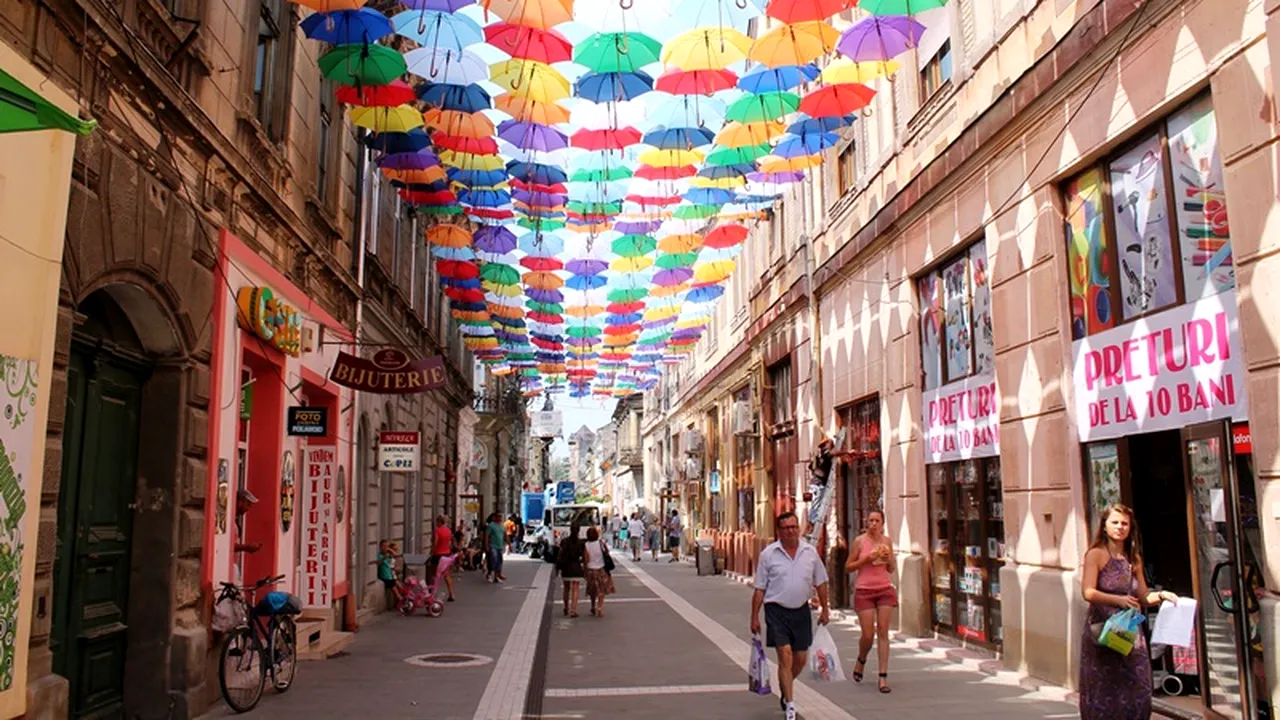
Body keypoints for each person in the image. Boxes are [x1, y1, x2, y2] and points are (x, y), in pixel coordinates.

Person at [1079, 504, 1177, 720]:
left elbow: (1142, 596)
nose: (1120, 527)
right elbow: (1087, 592)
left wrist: (1161, 596)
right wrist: (1118, 600)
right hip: (1103, 630)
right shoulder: (1095, 555)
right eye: (1115, 522)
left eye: (1124, 523)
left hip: (1130, 632)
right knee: (1104, 687)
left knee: (1138, 685)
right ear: (1104, 526)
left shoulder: (1134, 559)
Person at [749, 512, 830, 720]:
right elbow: (759, 588)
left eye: (794, 527)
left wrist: (825, 609)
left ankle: (786, 686)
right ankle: (791, 705)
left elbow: (820, 581)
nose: (791, 531)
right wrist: (754, 617)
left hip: (801, 611)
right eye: (786, 528)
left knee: (800, 658)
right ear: (779, 532)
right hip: (776, 611)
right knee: (784, 654)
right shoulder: (769, 555)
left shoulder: (810, 553)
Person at [844, 509, 896, 693]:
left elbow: (891, 569)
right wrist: (866, 559)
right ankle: (861, 660)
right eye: (870, 520)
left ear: (882, 523)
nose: (873, 524)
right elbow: (848, 567)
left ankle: (883, 677)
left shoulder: (887, 541)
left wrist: (888, 558)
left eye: (877, 521)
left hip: (884, 589)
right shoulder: (860, 541)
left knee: (883, 631)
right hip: (864, 590)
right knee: (868, 634)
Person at [556, 522, 586, 617]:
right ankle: (573, 610)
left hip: (566, 567)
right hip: (576, 567)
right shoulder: (581, 543)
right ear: (578, 531)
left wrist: (558, 567)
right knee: (575, 589)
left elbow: (560, 555)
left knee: (566, 588)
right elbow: (583, 556)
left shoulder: (564, 541)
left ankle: (566, 608)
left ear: (570, 529)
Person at [584, 526, 615, 617]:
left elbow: (586, 559)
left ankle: (593, 606)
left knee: (592, 590)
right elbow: (607, 552)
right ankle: (600, 607)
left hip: (591, 570)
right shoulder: (601, 543)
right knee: (601, 590)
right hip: (601, 569)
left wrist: (585, 570)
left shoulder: (586, 545)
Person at [428, 514, 456, 601]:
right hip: (446, 554)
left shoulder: (437, 530)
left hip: (438, 555)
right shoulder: (448, 530)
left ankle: (431, 593)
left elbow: (435, 543)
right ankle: (451, 594)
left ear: (439, 522)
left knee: (433, 574)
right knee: (447, 575)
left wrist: (431, 551)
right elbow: (450, 543)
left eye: (437, 522)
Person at [377, 540, 403, 609]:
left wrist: (389, 550)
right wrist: (384, 558)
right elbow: (378, 564)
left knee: (398, 585)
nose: (385, 548)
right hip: (385, 577)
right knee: (394, 587)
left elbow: (396, 555)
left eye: (387, 546)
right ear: (380, 547)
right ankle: (400, 599)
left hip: (390, 576)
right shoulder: (379, 555)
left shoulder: (388, 555)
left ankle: (401, 599)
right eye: (384, 546)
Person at [485, 513, 507, 583]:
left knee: (499, 561)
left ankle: (496, 576)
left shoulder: (502, 526)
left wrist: (508, 544)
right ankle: (489, 574)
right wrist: (486, 545)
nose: (500, 518)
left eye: (501, 517)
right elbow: (487, 536)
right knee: (493, 560)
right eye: (498, 516)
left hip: (500, 546)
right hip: (492, 546)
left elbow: (505, 535)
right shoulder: (491, 525)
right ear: (494, 517)